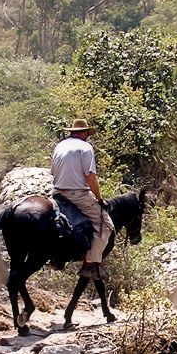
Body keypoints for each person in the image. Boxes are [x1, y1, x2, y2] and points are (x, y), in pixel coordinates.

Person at [51, 118, 114, 281]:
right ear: (85, 133)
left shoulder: (60, 145)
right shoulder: (86, 147)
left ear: (72, 132)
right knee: (105, 225)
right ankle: (91, 265)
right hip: (77, 194)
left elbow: (53, 172)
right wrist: (99, 198)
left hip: (57, 192)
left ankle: (57, 257)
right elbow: (90, 177)